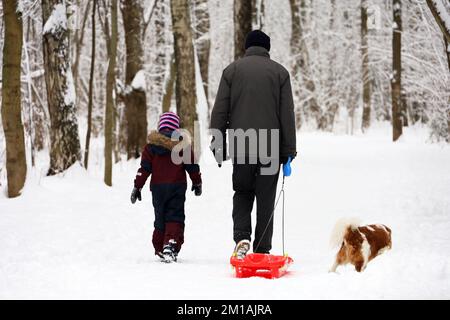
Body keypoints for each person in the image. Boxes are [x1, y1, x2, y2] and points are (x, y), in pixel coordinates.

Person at [210, 30, 297, 259]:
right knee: (266, 196)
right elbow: (287, 114)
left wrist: (218, 142)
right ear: (267, 48)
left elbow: (220, 109)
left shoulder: (231, 71)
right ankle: (262, 248)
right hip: (270, 146)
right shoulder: (280, 73)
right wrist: (288, 150)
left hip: (241, 143)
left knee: (242, 191)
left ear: (246, 47)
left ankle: (242, 238)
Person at [131, 112, 202, 263]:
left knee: (160, 216)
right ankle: (169, 245)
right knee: (174, 216)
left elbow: (144, 169)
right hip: (177, 187)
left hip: (157, 189)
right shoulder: (183, 146)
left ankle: (159, 246)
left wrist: (137, 187)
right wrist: (197, 182)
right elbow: (193, 166)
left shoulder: (150, 148)